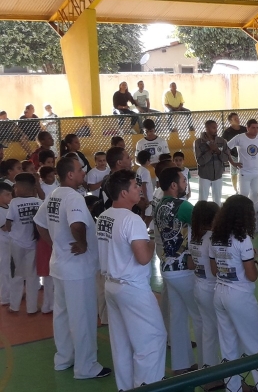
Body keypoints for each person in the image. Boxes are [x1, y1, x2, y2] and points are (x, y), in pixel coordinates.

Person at [33, 156, 110, 379]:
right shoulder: (73, 198)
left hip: (60, 266)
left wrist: (56, 244)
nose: (83, 173)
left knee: (63, 315)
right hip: (77, 270)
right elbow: (77, 224)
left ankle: (64, 358)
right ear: (70, 174)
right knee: (82, 318)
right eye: (80, 170)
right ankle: (86, 367)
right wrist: (83, 243)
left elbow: (39, 223)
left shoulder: (54, 195)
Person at [96, 169, 166, 390]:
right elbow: (143, 257)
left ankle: (126, 387)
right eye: (135, 186)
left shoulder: (104, 216)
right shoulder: (132, 219)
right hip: (132, 288)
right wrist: (154, 241)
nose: (140, 189)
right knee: (152, 340)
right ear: (124, 193)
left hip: (111, 285)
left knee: (122, 344)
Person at [209, 195, 258, 392]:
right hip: (239, 296)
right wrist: (251, 260)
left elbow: (214, 270)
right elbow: (252, 276)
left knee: (228, 347)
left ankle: (233, 388)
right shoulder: (242, 238)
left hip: (219, 293)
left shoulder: (216, 236)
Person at [153, 166, 200, 375]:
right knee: (200, 316)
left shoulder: (159, 205)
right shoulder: (183, 206)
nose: (185, 183)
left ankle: (181, 365)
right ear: (174, 185)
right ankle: (209, 365)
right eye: (182, 180)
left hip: (167, 267)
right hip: (184, 268)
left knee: (178, 315)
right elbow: (205, 225)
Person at [187, 201, 222, 378]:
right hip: (211, 288)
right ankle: (217, 372)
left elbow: (191, 264)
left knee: (208, 331)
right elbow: (216, 270)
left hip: (199, 284)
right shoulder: (212, 239)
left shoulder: (195, 238)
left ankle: (207, 371)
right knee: (221, 332)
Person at [4, 173, 43, 314]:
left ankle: (14, 306)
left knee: (16, 275)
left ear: (19, 187)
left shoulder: (14, 203)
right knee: (33, 276)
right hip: (33, 243)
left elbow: (8, 223)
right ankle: (32, 308)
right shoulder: (39, 203)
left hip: (16, 244)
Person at [227, 118, 258, 205]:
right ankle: (242, 215)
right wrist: (233, 163)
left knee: (255, 196)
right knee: (243, 196)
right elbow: (227, 148)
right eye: (253, 128)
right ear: (247, 128)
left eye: (257, 127)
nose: (256, 130)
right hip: (244, 172)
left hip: (256, 172)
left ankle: (252, 214)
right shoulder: (239, 138)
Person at [194, 120, 234, 205]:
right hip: (204, 175)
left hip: (218, 175)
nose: (216, 130)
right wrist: (210, 151)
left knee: (217, 200)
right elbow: (200, 161)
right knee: (202, 200)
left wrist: (217, 151)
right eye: (213, 128)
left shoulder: (222, 141)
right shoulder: (199, 142)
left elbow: (226, 158)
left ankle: (217, 216)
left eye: (216, 127)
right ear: (207, 128)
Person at [221, 113, 248, 194]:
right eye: (235, 119)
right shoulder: (227, 131)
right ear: (230, 121)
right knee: (234, 172)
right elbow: (224, 143)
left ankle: (244, 187)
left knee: (245, 171)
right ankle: (236, 189)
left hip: (244, 154)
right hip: (233, 155)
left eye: (238, 118)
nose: (238, 120)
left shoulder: (244, 129)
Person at [135, 150, 154, 228]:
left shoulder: (139, 169)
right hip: (147, 197)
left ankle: (141, 231)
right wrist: (146, 198)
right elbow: (144, 185)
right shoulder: (145, 171)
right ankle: (143, 232)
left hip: (141, 196)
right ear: (147, 160)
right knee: (149, 216)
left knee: (143, 215)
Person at [0, 182, 11, 305]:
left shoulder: (9, 207)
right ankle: (4, 297)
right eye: (7, 195)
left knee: (11, 269)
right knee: (5, 270)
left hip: (11, 242)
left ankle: (11, 292)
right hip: (3, 243)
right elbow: (5, 227)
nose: (10, 197)